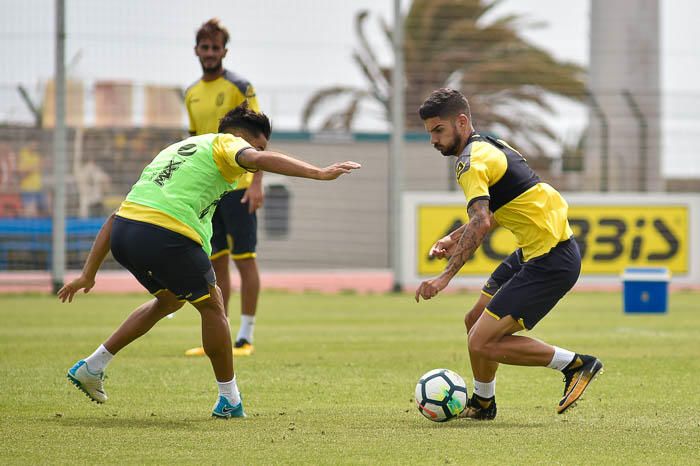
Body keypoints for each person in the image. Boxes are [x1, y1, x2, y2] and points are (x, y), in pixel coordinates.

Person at [58, 105, 360, 418]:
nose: (255, 161)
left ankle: (92, 366)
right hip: (166, 234)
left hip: (125, 233)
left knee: (169, 300)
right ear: (243, 137)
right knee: (213, 306)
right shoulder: (226, 143)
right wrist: (319, 173)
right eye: (259, 145)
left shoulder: (175, 151)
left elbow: (116, 215)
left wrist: (87, 275)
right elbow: (255, 159)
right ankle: (229, 400)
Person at [414, 88, 602, 419]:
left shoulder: (470, 162)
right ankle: (484, 403)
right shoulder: (491, 144)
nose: (433, 140)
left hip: (551, 260)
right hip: (533, 251)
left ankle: (575, 365)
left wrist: (444, 278)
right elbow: (503, 208)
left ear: (461, 121)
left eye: (438, 130)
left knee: (481, 342)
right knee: (473, 321)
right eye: (430, 132)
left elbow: (483, 221)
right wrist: (454, 237)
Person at [184, 19, 263, 358]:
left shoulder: (240, 86)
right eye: (206, 47)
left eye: (216, 48)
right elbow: (192, 142)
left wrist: (258, 181)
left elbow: (259, 137)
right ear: (197, 51)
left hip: (240, 186)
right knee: (216, 264)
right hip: (208, 192)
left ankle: (245, 336)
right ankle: (223, 332)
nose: (211, 53)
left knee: (245, 260)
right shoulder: (191, 93)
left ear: (224, 51)